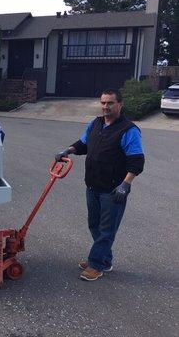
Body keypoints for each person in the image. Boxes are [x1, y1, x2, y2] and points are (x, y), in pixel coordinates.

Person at [55, 89, 144, 281]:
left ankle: (96, 265)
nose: (106, 107)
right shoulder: (95, 124)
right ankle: (104, 259)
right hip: (93, 186)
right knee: (94, 224)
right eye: (103, 103)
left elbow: (136, 161)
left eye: (110, 103)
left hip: (113, 190)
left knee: (106, 229)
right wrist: (68, 150)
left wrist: (125, 185)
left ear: (120, 104)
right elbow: (83, 144)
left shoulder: (129, 130)